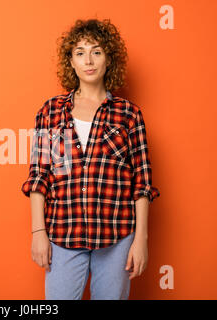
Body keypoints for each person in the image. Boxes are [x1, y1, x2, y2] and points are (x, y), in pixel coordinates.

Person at [21, 18, 161, 300]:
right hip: (62, 232)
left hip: (117, 236)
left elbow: (141, 183)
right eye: (80, 52)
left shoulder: (129, 114)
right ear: (70, 61)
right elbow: (39, 176)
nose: (89, 60)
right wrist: (38, 232)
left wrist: (141, 240)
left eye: (96, 51)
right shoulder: (50, 111)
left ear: (108, 60)